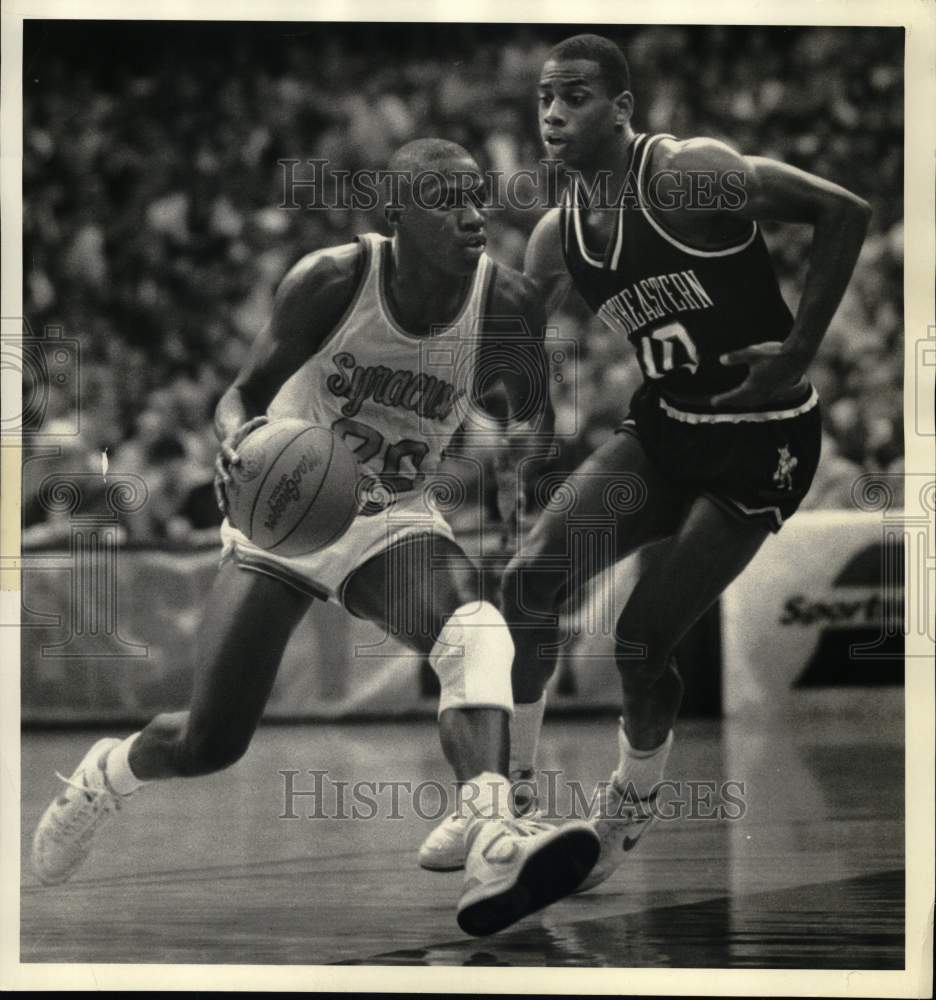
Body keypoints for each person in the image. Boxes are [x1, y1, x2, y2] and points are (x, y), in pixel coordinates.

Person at [31, 138, 600, 938]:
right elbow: (241, 394)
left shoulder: (502, 303)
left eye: (477, 197)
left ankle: (493, 827)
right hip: (289, 510)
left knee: (474, 630)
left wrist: (521, 478)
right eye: (444, 199)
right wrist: (237, 439)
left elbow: (529, 411)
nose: (472, 214)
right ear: (396, 212)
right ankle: (106, 775)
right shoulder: (331, 280)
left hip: (392, 516)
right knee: (209, 742)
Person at [422, 33, 872, 887]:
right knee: (527, 581)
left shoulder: (686, 174)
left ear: (622, 108)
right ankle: (509, 807)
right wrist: (523, 424)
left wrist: (798, 349)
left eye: (576, 95)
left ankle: (625, 811)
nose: (553, 112)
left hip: (764, 435)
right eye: (545, 97)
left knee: (640, 646)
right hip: (665, 429)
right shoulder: (556, 240)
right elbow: (509, 353)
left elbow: (844, 210)